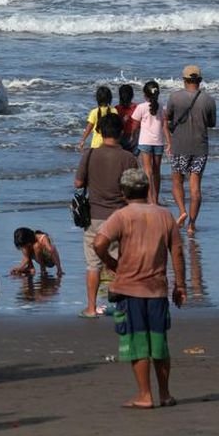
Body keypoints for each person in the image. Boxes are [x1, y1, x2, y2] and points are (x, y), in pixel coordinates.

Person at [93, 168, 186, 409]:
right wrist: (181, 285)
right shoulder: (165, 215)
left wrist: (111, 263)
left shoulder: (122, 216)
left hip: (130, 289)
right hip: (157, 290)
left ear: (123, 192)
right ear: (147, 189)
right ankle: (164, 393)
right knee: (159, 342)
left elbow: (99, 243)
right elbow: (176, 251)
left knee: (137, 343)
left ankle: (145, 395)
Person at [76, 114, 138, 318]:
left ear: (100, 132)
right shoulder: (128, 158)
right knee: (120, 262)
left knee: (93, 264)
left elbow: (78, 183)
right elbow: (134, 188)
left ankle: (91, 308)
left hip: (94, 215)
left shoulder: (90, 154)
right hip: (120, 217)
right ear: (121, 132)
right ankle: (123, 306)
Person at [164, 64, 216, 235]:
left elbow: (168, 118)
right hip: (200, 147)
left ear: (184, 80)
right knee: (195, 188)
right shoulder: (208, 99)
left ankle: (182, 211)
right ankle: (192, 225)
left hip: (180, 146)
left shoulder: (174, 97)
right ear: (200, 80)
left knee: (177, 181)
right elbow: (211, 123)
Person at [131, 80, 166, 205]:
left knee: (147, 170)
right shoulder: (162, 106)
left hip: (145, 141)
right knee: (157, 171)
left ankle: (149, 198)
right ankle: (155, 199)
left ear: (145, 95)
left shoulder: (141, 107)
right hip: (159, 141)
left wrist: (132, 136)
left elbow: (134, 125)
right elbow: (164, 124)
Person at [77, 85, 114, 151]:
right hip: (110, 144)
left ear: (97, 99)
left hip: (96, 145)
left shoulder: (94, 112)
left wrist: (82, 141)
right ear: (110, 98)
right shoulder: (114, 111)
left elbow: (89, 128)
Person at [116, 83, 138, 154]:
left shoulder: (117, 109)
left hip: (120, 138)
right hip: (135, 138)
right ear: (132, 95)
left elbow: (114, 126)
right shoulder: (136, 107)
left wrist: (122, 121)